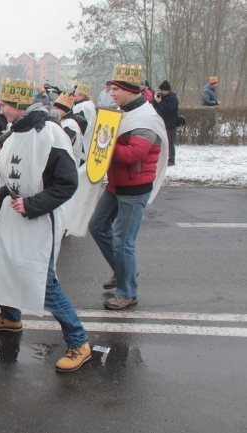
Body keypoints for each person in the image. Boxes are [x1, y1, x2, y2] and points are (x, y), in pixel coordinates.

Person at [0, 78, 91, 373]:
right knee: (3, 264)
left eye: (3, 104)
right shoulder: (15, 134)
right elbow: (15, 177)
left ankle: (79, 342)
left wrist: (32, 204)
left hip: (40, 218)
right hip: (12, 216)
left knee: (42, 279)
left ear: (18, 106)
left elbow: (67, 183)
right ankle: (10, 316)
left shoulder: (49, 133)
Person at [88, 63, 168, 310]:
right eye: (111, 89)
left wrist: (105, 145)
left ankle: (127, 292)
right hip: (117, 184)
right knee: (98, 226)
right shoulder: (125, 112)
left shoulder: (145, 118)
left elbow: (134, 154)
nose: (111, 93)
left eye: (115, 90)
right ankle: (122, 272)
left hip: (135, 188)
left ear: (129, 91)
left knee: (123, 241)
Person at [50, 92, 86, 165]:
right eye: (54, 108)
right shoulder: (61, 121)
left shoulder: (70, 124)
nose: (54, 110)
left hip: (68, 162)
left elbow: (64, 143)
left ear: (64, 110)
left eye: (57, 108)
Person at [153, 80, 179, 166]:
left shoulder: (173, 98)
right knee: (159, 142)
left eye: (163, 90)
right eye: (160, 90)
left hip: (170, 124)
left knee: (170, 142)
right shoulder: (161, 97)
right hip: (160, 123)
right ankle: (160, 158)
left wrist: (160, 102)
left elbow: (168, 109)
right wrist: (155, 99)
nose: (162, 92)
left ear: (167, 90)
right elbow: (154, 106)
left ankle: (171, 159)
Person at [72, 83, 97, 157]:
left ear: (82, 96)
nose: (73, 98)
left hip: (83, 139)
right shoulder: (89, 104)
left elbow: (78, 123)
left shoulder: (83, 106)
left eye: (75, 96)